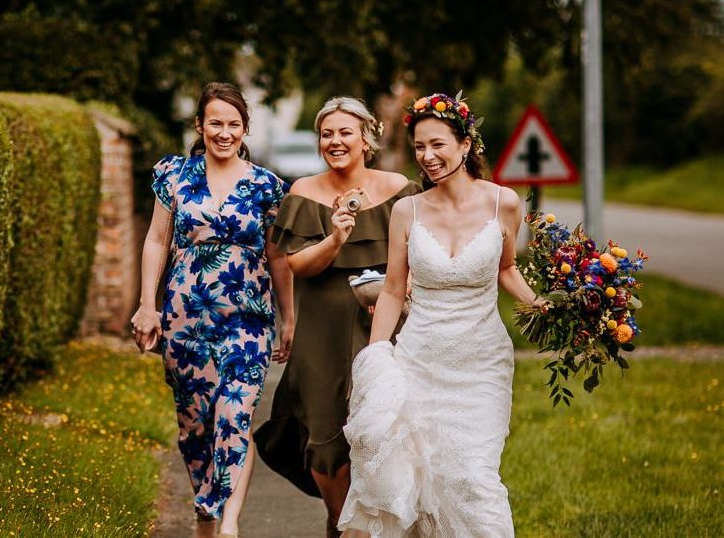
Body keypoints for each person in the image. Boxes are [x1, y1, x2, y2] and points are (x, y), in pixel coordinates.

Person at [338, 93, 545, 537]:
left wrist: (540, 303)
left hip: (481, 363)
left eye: (438, 145)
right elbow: (394, 290)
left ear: (466, 145)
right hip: (420, 360)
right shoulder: (407, 210)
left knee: (473, 476)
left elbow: (506, 268)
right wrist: (377, 357)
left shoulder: (503, 203)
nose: (427, 157)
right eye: (419, 147)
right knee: (421, 481)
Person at [131, 82, 294, 538]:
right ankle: (206, 514)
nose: (224, 133)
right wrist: (148, 306)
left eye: (234, 124)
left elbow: (277, 256)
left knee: (235, 415)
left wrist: (290, 319)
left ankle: (231, 526)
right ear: (200, 126)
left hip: (248, 319)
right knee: (195, 427)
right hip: (185, 319)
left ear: (245, 129)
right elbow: (156, 241)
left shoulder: (266, 186)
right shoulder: (174, 176)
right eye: (215, 123)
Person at [254, 97, 420, 537]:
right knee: (327, 432)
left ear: (366, 139)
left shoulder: (400, 190)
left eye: (345, 132)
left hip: (387, 327)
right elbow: (296, 264)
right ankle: (338, 521)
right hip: (321, 332)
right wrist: (336, 237)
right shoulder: (304, 192)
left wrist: (400, 295)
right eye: (327, 134)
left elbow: (417, 257)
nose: (335, 141)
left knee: (387, 430)